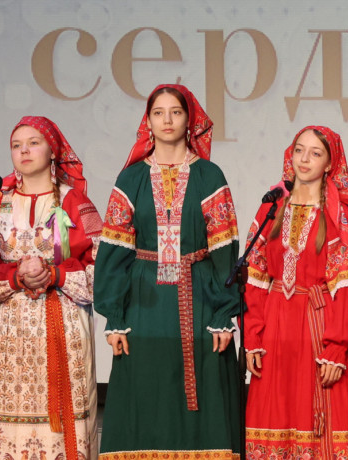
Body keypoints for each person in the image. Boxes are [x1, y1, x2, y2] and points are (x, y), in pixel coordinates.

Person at [94, 84, 241, 459]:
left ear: (189, 119)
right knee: (146, 390)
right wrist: (115, 317)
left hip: (200, 300)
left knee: (205, 391)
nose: (167, 120)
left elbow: (224, 250)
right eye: (158, 113)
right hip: (143, 304)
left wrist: (223, 314)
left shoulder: (210, 176)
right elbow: (114, 251)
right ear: (148, 121)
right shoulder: (130, 179)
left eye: (175, 112)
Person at [0, 116, 102, 460]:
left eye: (33, 143)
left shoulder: (75, 201)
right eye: (16, 145)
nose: (24, 151)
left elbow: (102, 263)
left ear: (53, 151)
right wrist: (16, 276)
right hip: (8, 329)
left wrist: (54, 274)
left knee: (60, 424)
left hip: (61, 323)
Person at [243, 126, 348, 459]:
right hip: (276, 327)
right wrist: (252, 337)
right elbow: (256, 276)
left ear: (330, 164)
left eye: (315, 153)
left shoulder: (338, 215)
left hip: (318, 326)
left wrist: (336, 347)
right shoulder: (271, 208)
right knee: (275, 415)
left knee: (319, 419)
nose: (304, 159)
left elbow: (345, 285)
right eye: (299, 150)